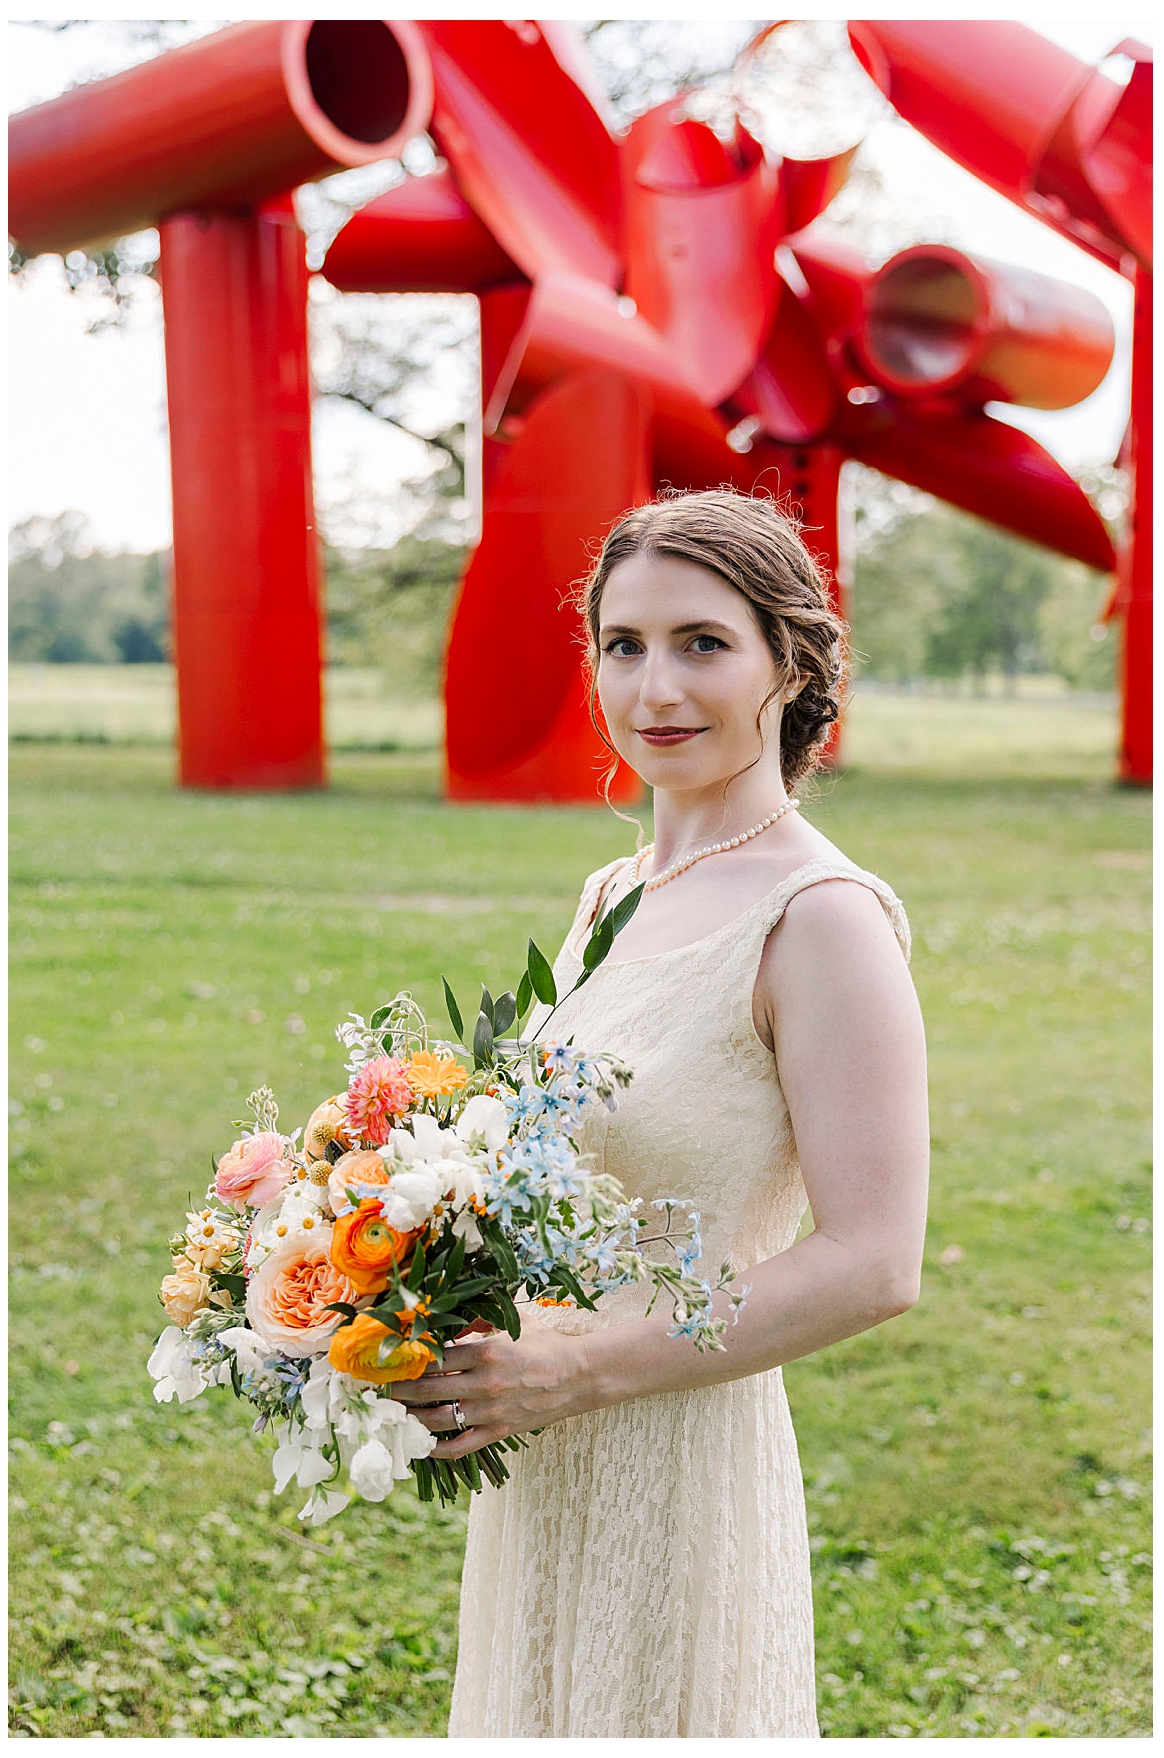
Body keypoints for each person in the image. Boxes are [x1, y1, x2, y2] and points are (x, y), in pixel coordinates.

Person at [397, 489, 931, 1736]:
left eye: (703, 643)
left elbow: (875, 1263)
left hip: (677, 1450)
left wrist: (572, 1375)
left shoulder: (824, 918)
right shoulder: (611, 894)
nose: (656, 690)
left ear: (786, 667)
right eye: (623, 646)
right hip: (535, 1449)